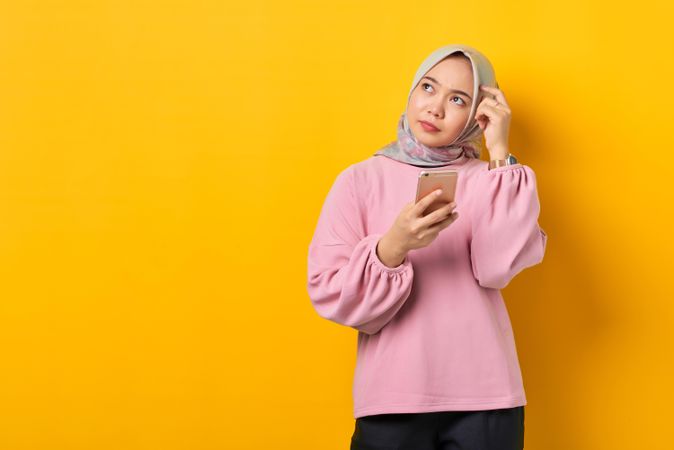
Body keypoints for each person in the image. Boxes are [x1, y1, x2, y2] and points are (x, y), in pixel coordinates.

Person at [306, 44, 548, 450]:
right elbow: (330, 291)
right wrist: (393, 246)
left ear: (478, 115)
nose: (435, 108)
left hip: (486, 399)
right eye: (428, 87)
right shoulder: (359, 180)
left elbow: (496, 268)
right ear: (412, 91)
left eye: (458, 100)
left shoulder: (492, 178)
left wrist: (501, 153)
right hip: (392, 399)